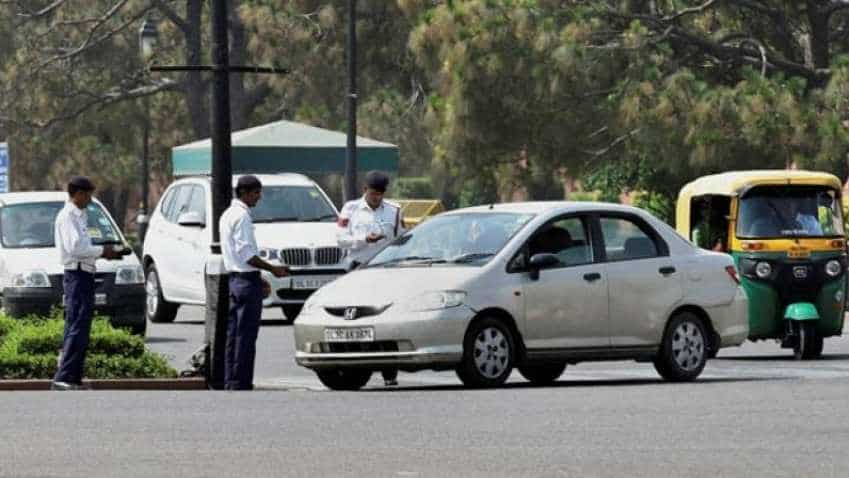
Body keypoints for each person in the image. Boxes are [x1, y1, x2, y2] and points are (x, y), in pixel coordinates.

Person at [52, 176, 122, 391]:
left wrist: (105, 252)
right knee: (77, 326)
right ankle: (64, 377)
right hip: (77, 274)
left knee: (78, 326)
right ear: (78, 193)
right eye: (88, 194)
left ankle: (72, 377)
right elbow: (75, 249)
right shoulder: (68, 217)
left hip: (84, 273)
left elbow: (83, 246)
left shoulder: (79, 216)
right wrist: (103, 251)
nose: (90, 199)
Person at [220, 175, 290, 391]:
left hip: (236, 278)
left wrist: (258, 277)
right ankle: (241, 381)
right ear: (245, 193)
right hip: (244, 282)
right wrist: (272, 269)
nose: (259, 197)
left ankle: (230, 378)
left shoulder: (227, 214)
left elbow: (239, 256)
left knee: (234, 333)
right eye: (256, 193)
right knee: (246, 335)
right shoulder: (242, 217)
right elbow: (246, 253)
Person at [337, 171, 406, 386]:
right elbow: (340, 239)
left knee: (386, 321)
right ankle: (357, 369)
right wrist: (364, 239)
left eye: (381, 193)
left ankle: (390, 371)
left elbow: (402, 238)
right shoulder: (350, 209)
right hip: (358, 271)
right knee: (356, 320)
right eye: (373, 193)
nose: (377, 197)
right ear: (364, 190)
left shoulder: (394, 211)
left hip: (386, 272)